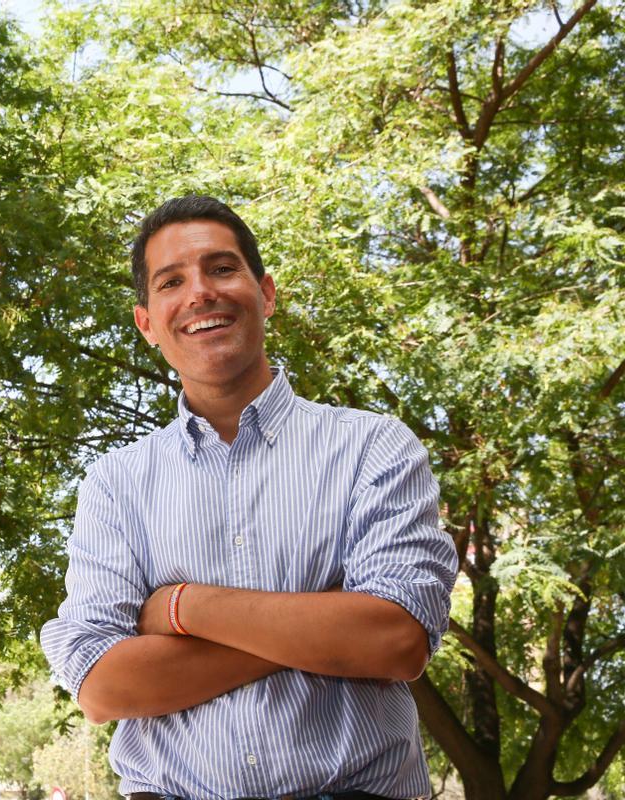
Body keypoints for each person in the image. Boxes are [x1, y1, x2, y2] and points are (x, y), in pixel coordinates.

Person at [39, 196, 458, 800]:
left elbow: (394, 641)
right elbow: (104, 687)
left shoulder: (374, 446)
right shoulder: (116, 483)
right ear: (148, 324)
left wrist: (185, 608)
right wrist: (324, 623)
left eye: (222, 268)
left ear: (265, 294)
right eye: (172, 281)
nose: (201, 292)